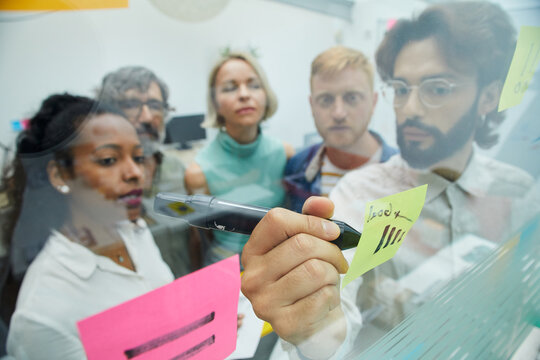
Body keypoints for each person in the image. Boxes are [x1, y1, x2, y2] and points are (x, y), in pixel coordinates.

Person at [241, 2, 539, 359]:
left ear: (488, 96)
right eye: (400, 88)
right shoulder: (362, 193)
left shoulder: (519, 191)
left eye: (437, 88)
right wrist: (314, 326)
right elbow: (338, 314)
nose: (410, 108)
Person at [3, 94, 174, 358]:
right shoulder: (41, 315)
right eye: (108, 160)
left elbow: (164, 314)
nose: (135, 173)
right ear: (60, 175)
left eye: (138, 158)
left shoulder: (134, 230)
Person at [184, 51, 295, 266]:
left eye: (253, 85)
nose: (244, 94)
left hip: (277, 267)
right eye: (230, 87)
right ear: (215, 103)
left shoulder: (285, 154)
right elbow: (199, 240)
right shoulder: (198, 174)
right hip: (228, 273)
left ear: (265, 94)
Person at [97, 66, 192, 277]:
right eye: (131, 105)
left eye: (155, 105)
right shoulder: (99, 182)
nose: (147, 117)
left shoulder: (177, 170)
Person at [283, 46, 397, 213]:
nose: (338, 113)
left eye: (352, 98)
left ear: (373, 102)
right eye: (326, 99)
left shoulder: (405, 175)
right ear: (312, 105)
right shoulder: (296, 168)